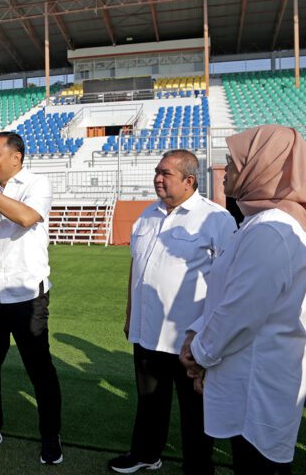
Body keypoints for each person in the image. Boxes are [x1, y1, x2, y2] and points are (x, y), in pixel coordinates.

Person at [180, 125, 306, 475]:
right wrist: (196, 333)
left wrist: (199, 353)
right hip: (248, 373)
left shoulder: (272, 229)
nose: (226, 169)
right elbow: (232, 295)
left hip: (257, 383)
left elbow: (241, 312)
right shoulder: (260, 222)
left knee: (257, 466)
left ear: (261, 169)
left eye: (234, 162)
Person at [109, 150, 236, 474]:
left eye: (165, 173)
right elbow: (136, 269)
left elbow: (227, 280)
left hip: (190, 338)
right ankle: (146, 453)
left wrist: (208, 331)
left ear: (189, 181)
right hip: (147, 331)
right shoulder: (147, 215)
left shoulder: (215, 219)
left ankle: (198, 467)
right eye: (156, 172)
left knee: (196, 409)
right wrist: (129, 314)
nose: (158, 178)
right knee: (150, 400)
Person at [0, 132, 63, 465]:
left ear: (15, 157)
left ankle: (50, 436)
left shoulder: (37, 183)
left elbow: (25, 217)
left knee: (39, 369)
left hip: (27, 293)